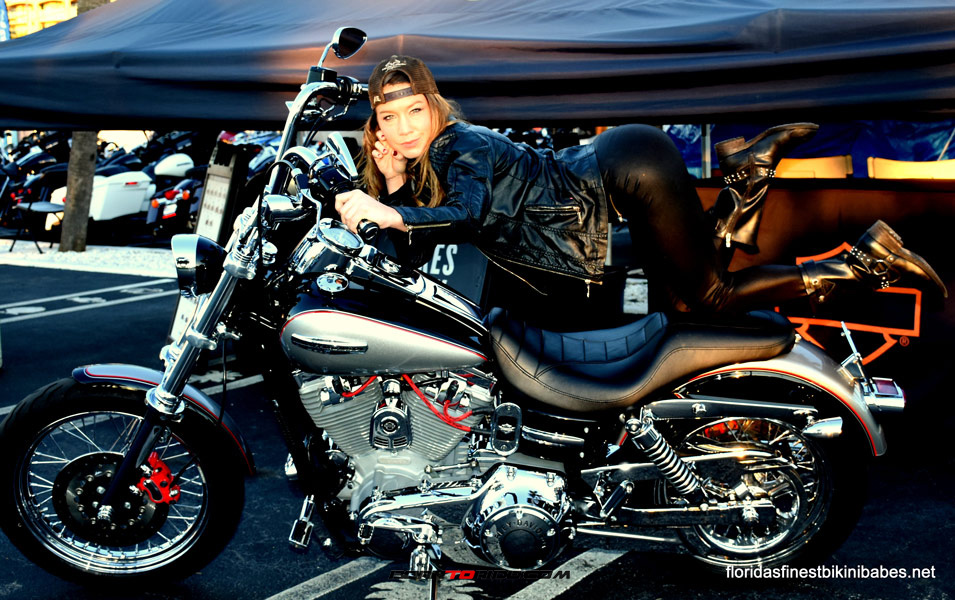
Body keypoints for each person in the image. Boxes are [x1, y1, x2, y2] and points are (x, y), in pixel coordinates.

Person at [335, 55, 947, 316]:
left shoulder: (455, 143)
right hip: (624, 163)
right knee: (686, 295)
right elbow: (428, 236)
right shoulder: (441, 151)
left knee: (709, 298)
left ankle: (864, 262)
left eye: (414, 110)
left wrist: (388, 210)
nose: (404, 127)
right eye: (389, 116)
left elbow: (466, 214)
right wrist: (394, 183)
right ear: (376, 124)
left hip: (626, 170)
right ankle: (748, 176)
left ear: (435, 107)